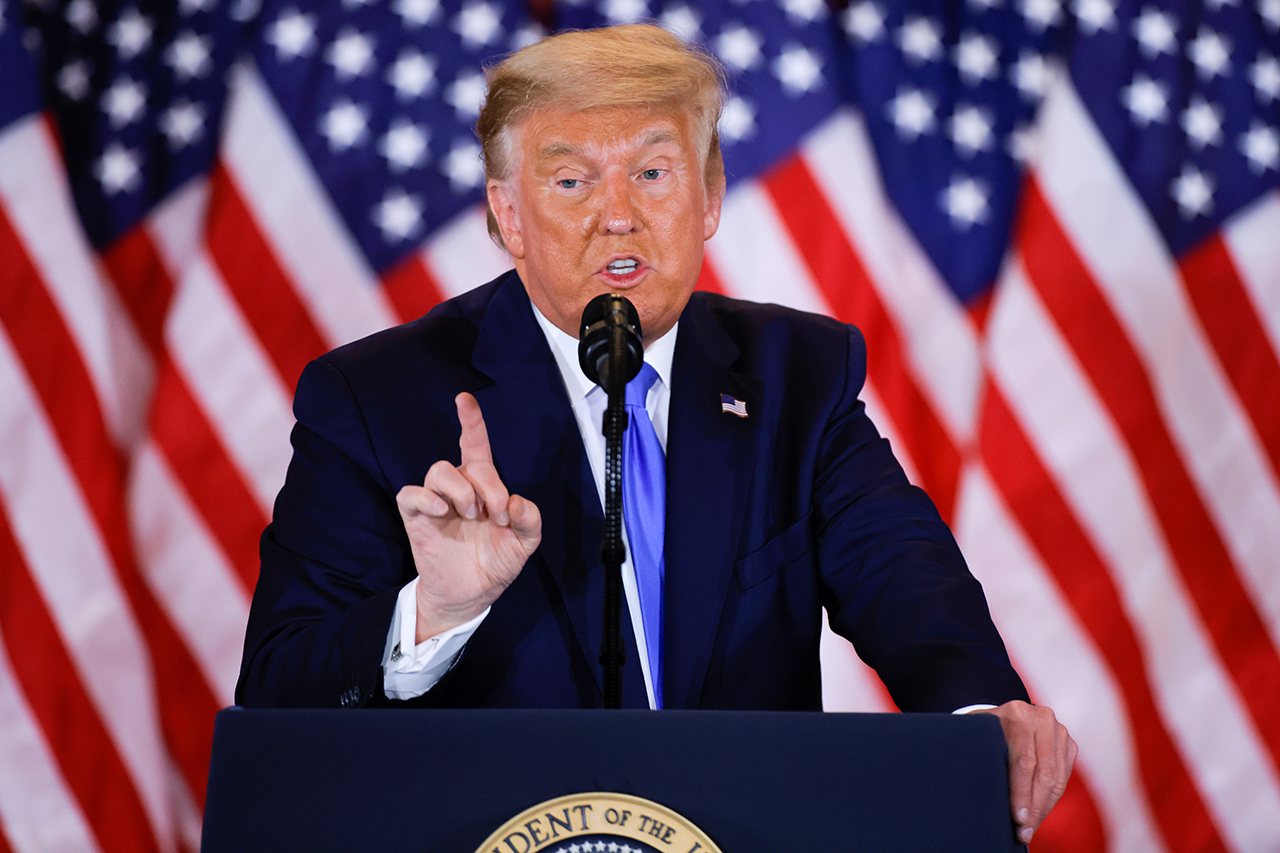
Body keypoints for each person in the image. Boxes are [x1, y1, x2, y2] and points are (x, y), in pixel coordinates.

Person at [237, 24, 1075, 845]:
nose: (619, 216)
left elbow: (907, 585)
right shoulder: (375, 398)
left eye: (652, 171)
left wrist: (978, 720)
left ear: (708, 196)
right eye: (570, 182)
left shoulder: (799, 375)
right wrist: (432, 613)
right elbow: (279, 696)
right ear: (508, 214)